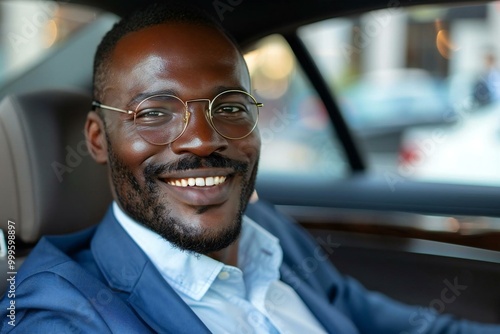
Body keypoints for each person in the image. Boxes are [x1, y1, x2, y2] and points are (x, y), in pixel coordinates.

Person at [1, 2, 499, 333]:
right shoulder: (63, 315)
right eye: (155, 113)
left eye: (231, 105)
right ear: (98, 139)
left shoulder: (268, 232)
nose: (201, 139)